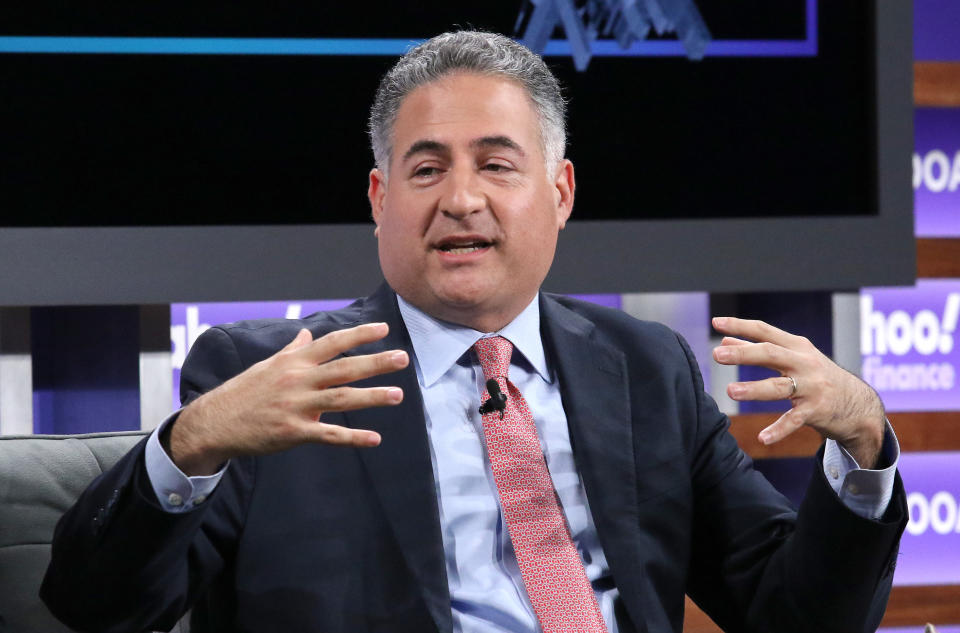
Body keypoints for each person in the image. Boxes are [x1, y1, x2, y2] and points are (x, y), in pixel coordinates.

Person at [42, 31, 906, 633]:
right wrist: (189, 446)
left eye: (497, 164)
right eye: (426, 169)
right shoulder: (270, 374)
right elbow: (96, 607)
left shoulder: (647, 368)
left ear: (560, 194)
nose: (461, 198)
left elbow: (796, 615)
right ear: (380, 202)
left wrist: (864, 447)